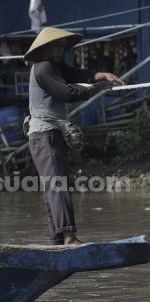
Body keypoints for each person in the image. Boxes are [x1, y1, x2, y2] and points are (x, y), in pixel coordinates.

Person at [24, 27, 123, 245]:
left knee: (55, 185)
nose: (60, 49)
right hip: (45, 135)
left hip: (49, 135)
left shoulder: (54, 66)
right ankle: (68, 237)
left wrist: (100, 75)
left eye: (61, 45)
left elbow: (74, 74)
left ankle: (57, 240)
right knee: (57, 185)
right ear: (45, 48)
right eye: (55, 45)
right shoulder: (43, 68)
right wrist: (95, 88)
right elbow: (66, 93)